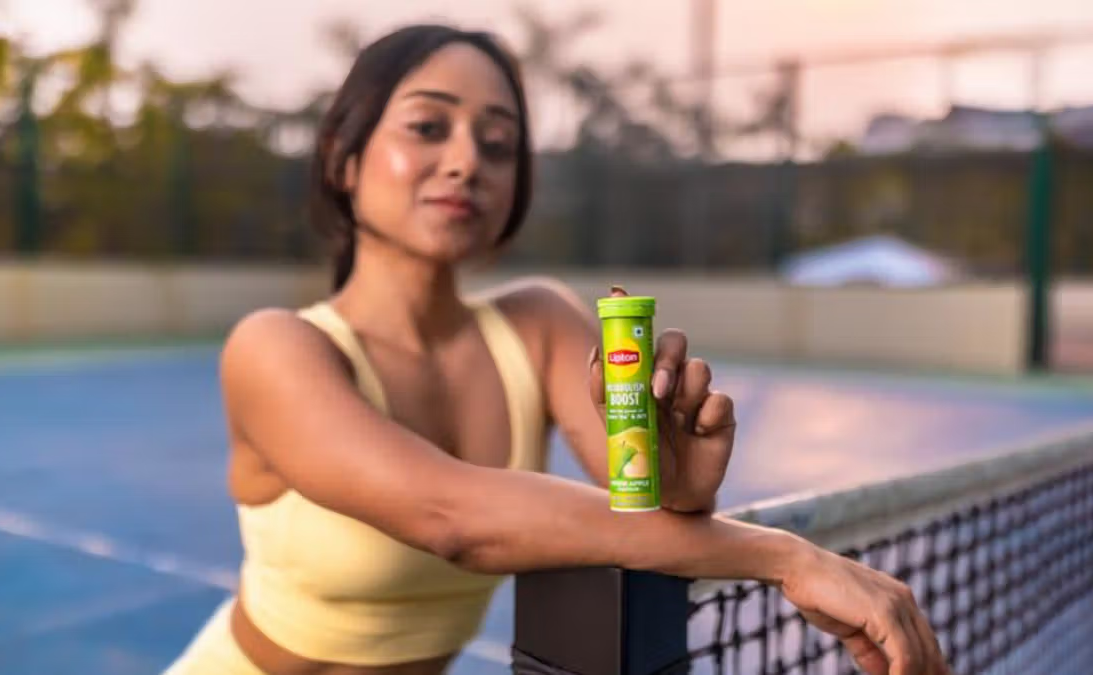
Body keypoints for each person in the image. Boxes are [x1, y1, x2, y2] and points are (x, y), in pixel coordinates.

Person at [163, 23, 949, 675]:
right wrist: (785, 556)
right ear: (345, 156)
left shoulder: (537, 323)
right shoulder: (275, 348)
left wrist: (676, 487)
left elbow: (646, 515)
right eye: (428, 127)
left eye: (498, 142)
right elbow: (452, 517)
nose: (468, 160)